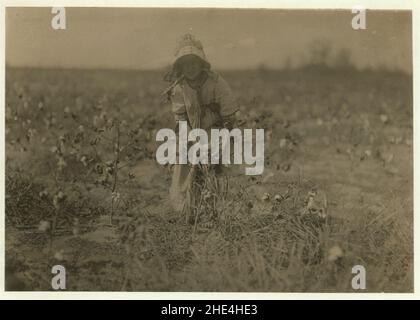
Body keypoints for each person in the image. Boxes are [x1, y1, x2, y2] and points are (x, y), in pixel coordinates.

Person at [163, 34, 238, 219]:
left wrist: (224, 135)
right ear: (179, 67)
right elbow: (180, 115)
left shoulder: (216, 82)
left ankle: (215, 208)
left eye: (194, 63)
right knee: (184, 161)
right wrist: (189, 136)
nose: (190, 68)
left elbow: (229, 111)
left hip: (216, 128)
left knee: (215, 165)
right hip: (190, 129)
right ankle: (183, 207)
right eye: (185, 64)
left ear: (202, 63)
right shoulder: (179, 88)